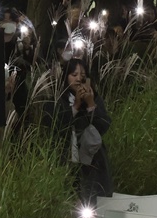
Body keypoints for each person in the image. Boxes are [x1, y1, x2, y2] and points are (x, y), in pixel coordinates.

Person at [43, 57, 113, 202]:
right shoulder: (56, 100)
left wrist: (90, 104)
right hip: (64, 159)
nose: (78, 79)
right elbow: (56, 127)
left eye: (82, 75)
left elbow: (103, 126)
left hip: (91, 162)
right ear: (66, 77)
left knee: (91, 199)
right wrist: (75, 106)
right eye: (74, 75)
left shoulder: (94, 98)